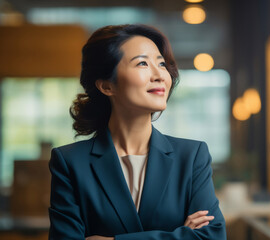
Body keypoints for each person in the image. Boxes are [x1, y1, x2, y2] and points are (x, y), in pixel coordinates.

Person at [48, 24, 226, 240]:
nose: (160, 74)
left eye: (161, 63)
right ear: (106, 86)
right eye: (142, 63)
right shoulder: (70, 162)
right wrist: (180, 235)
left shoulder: (192, 156)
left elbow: (212, 237)